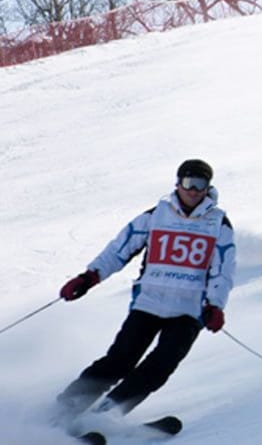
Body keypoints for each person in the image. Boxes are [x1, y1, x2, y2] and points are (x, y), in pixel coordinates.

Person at [54, 159, 236, 423]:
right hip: (148, 304)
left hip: (188, 311)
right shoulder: (156, 215)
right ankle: (65, 409)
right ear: (178, 184)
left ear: (208, 188)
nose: (194, 191)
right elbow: (119, 249)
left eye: (200, 185)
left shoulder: (218, 224)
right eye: (189, 183)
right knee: (119, 361)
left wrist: (215, 304)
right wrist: (90, 276)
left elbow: (224, 268)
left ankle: (106, 415)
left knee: (159, 368)